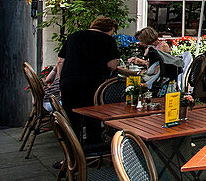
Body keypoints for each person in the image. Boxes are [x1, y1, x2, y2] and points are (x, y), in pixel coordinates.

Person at [56, 16, 139, 146]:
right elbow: (112, 65)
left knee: (72, 121)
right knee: (92, 118)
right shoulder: (107, 40)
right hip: (93, 84)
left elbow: (60, 61)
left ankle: (72, 156)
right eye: (113, 31)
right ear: (110, 29)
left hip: (69, 83)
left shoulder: (74, 36)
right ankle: (92, 149)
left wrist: (62, 82)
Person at [130, 27, 184, 96]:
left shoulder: (162, 46)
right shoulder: (151, 48)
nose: (140, 43)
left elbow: (164, 62)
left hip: (161, 75)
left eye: (142, 40)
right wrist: (140, 61)